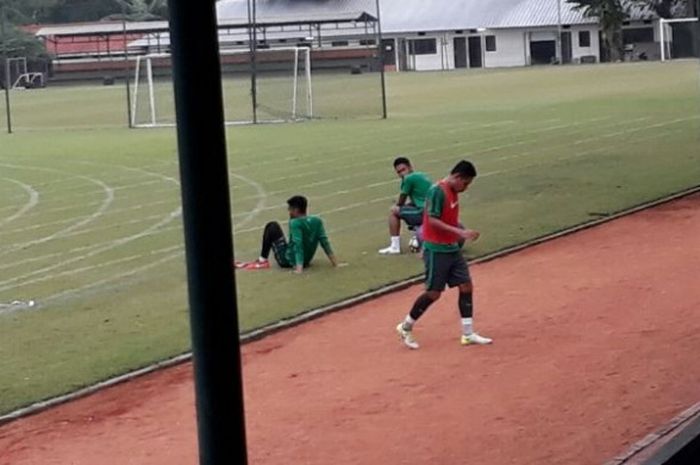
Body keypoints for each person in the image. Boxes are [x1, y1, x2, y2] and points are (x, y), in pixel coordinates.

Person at [395, 160, 492, 349]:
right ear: (457, 177)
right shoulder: (437, 191)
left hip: (451, 248)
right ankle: (405, 326)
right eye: (466, 183)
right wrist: (460, 232)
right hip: (437, 250)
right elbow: (431, 220)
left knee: (466, 286)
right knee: (433, 293)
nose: (466, 187)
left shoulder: (454, 192)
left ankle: (468, 333)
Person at [239, 195, 338, 274]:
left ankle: (262, 260)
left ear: (295, 210)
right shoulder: (317, 221)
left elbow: (297, 244)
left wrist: (299, 268)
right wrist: (335, 263)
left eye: (290, 209)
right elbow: (324, 241)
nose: (288, 211)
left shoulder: (295, 223)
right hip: (306, 260)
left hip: (288, 261)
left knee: (272, 226)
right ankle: (297, 262)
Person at [378, 157, 433, 255]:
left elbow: (402, 198)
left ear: (410, 167)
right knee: (406, 209)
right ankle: (418, 234)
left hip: (424, 212)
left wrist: (398, 207)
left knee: (394, 212)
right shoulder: (420, 175)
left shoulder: (409, 179)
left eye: (403, 170)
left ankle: (395, 247)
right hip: (431, 210)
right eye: (399, 172)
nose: (402, 174)